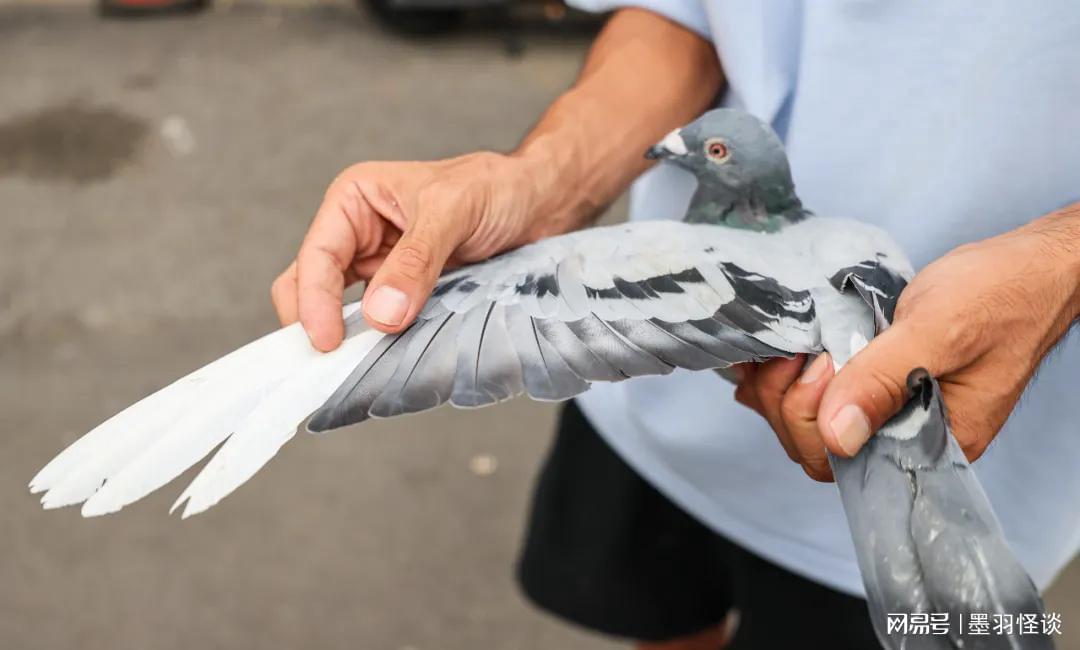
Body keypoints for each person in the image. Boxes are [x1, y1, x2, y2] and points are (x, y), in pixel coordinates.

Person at [271, 3, 1080, 648]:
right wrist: (539, 179)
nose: (681, 152)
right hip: (655, 403)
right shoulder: (845, 243)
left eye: (710, 152)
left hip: (983, 414)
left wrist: (1061, 264)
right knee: (658, 611)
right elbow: (684, 13)